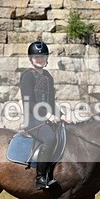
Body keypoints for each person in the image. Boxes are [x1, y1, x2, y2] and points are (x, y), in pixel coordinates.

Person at [20, 40, 62, 189]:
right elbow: (29, 103)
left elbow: (51, 102)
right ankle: (40, 178)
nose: (40, 59)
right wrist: (48, 116)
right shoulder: (27, 76)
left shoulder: (48, 77)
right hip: (32, 119)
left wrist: (61, 115)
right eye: (37, 57)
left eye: (43, 56)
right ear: (31, 59)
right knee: (49, 139)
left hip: (45, 118)